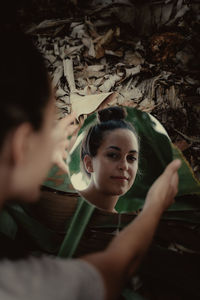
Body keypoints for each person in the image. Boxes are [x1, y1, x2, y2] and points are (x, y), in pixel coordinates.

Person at [0, 28, 181, 300]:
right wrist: (155, 206)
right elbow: (115, 267)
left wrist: (33, 152)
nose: (124, 165)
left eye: (132, 157)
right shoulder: (23, 285)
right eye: (50, 124)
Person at [80, 106, 139, 212]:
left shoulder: (127, 224)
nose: (124, 166)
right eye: (113, 155)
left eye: (131, 158)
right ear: (89, 163)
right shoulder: (63, 204)